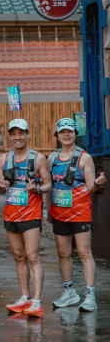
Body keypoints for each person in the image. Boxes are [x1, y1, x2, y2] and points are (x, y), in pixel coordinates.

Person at [47, 118, 106, 312]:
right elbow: (50, 186)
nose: (66, 134)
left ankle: (90, 296)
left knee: (84, 253)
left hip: (80, 213)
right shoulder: (52, 158)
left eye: (70, 131)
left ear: (75, 134)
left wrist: (97, 183)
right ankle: (69, 292)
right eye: (62, 131)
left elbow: (90, 187)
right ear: (57, 135)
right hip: (59, 213)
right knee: (63, 254)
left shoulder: (84, 157)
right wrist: (48, 210)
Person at [0, 119, 51, 318]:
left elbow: (48, 184)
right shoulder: (4, 159)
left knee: (32, 256)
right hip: (11, 214)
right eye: (14, 134)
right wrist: (1, 187)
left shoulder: (38, 158)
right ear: (10, 136)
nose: (17, 137)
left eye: (21, 133)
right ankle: (25, 296)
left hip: (31, 214)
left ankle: (36, 301)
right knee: (19, 257)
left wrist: (37, 189)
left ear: (28, 134)